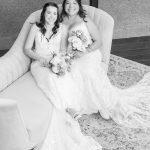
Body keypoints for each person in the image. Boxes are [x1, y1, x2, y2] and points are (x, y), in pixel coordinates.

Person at [60, 0, 150, 129]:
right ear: (63, 5)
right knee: (72, 71)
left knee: (88, 70)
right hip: (73, 56)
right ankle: (82, 105)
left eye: (74, 3)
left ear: (79, 5)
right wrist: (67, 56)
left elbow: (98, 41)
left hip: (89, 53)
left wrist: (84, 51)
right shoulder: (62, 21)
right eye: (68, 3)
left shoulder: (84, 19)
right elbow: (62, 43)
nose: (71, 7)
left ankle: (104, 103)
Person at [24, 2, 102, 150]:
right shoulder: (35, 27)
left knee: (63, 76)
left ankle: (68, 109)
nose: (51, 16)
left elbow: (62, 50)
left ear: (57, 15)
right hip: (39, 64)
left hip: (55, 60)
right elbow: (27, 49)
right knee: (50, 78)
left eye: (54, 13)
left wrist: (61, 62)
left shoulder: (61, 28)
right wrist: (40, 59)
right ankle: (67, 109)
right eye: (48, 13)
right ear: (43, 14)